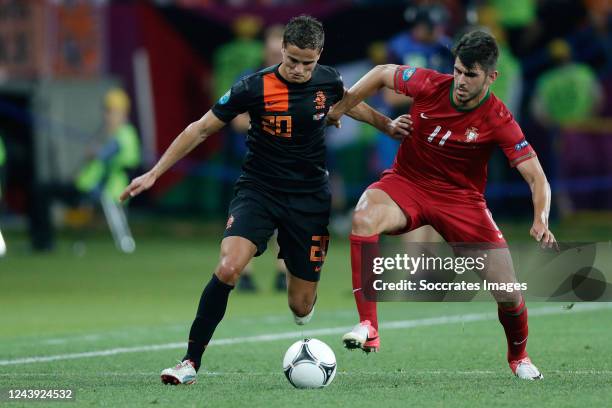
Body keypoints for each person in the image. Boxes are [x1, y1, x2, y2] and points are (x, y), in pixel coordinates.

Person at [120, 15, 412, 386]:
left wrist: (387, 125)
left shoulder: (328, 79)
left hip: (308, 198)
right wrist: (155, 173)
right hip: (258, 190)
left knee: (301, 305)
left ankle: (290, 261)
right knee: (228, 268)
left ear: (318, 55)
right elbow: (200, 128)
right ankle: (189, 361)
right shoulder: (253, 86)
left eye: (307, 62)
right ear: (281, 50)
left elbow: (349, 102)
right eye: (292, 60)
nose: (299, 69)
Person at [327, 30, 555, 380]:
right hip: (407, 182)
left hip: (462, 202)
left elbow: (537, 177)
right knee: (363, 217)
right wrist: (340, 109)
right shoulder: (430, 84)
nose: (461, 81)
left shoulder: (499, 119)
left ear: (492, 77)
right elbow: (380, 73)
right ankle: (369, 325)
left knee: (509, 294)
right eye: (459, 70)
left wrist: (540, 218)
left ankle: (519, 358)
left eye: (471, 75)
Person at [31, 87, 140, 252]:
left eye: (110, 111)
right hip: (92, 186)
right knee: (42, 189)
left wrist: (94, 152)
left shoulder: (123, 135)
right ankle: (43, 242)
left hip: (97, 189)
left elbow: (106, 156)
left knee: (40, 190)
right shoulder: (121, 134)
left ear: (121, 113)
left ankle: (43, 243)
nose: (106, 116)